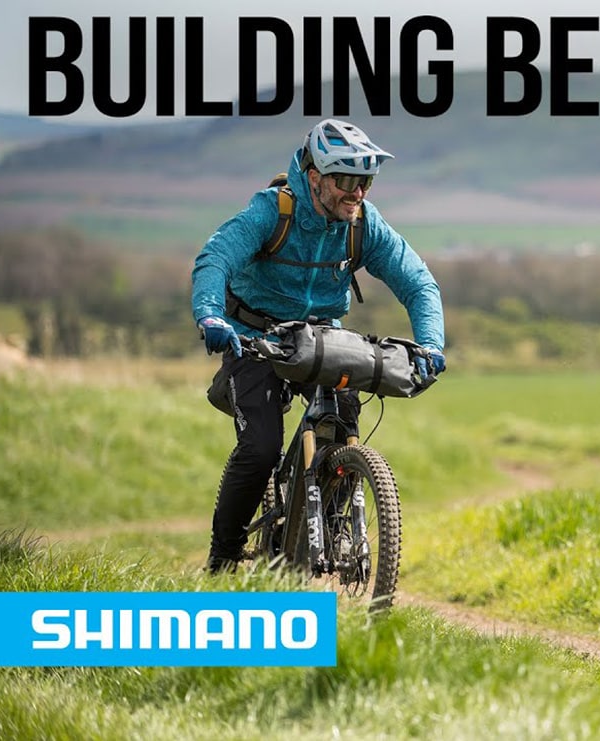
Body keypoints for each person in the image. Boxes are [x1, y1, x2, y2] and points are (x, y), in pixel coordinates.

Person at [190, 118, 446, 573]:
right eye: (346, 180)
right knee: (261, 448)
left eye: (364, 180)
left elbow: (418, 284)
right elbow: (217, 257)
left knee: (345, 416)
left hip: (319, 337)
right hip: (255, 336)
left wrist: (430, 345)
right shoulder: (272, 211)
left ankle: (331, 528)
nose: (357, 192)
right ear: (314, 177)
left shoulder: (363, 225)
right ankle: (223, 556)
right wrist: (211, 312)